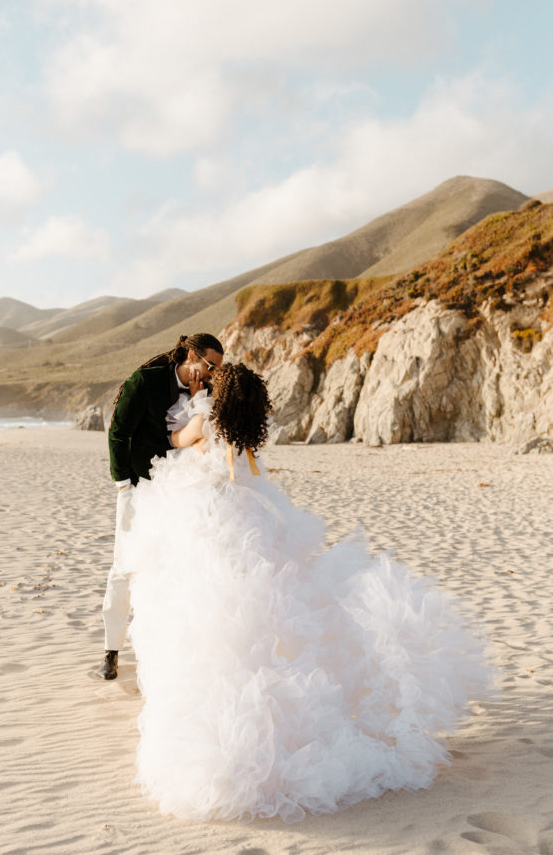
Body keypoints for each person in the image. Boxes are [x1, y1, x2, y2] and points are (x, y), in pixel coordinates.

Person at [120, 362, 494, 822]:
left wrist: (183, 411)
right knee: (273, 617)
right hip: (253, 520)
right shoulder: (244, 434)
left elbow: (171, 442)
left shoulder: (204, 421)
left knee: (213, 617)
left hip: (211, 521)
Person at [97, 332, 224, 680]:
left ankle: (160, 654)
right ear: (191, 357)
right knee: (124, 565)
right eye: (209, 365)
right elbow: (118, 432)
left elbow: (195, 437)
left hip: (177, 489)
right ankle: (111, 651)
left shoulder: (205, 392)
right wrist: (122, 481)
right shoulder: (146, 381)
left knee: (168, 566)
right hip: (138, 484)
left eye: (217, 369)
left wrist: (200, 399)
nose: (212, 373)